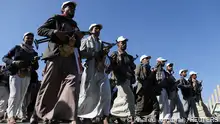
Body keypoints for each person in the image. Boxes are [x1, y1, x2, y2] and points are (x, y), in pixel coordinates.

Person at [34, 1, 86, 124]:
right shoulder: (56, 18)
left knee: (72, 82)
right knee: (50, 85)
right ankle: (41, 114)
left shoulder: (75, 25)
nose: (73, 9)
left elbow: (77, 44)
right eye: (70, 7)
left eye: (74, 8)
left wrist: (78, 38)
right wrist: (54, 32)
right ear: (63, 9)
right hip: (56, 55)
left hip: (71, 57)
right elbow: (40, 30)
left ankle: (68, 115)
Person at [78, 23, 111, 124]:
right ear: (91, 30)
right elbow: (81, 54)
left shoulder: (101, 43)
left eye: (99, 29)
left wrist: (104, 54)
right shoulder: (85, 40)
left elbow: (104, 56)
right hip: (90, 68)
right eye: (95, 28)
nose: (98, 30)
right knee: (87, 93)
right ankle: (81, 115)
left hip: (100, 70)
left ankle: (104, 115)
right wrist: (93, 54)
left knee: (106, 92)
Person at [2, 32, 39, 124]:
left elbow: (36, 67)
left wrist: (35, 62)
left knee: (21, 96)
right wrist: (14, 62)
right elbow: (5, 58)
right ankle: (10, 117)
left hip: (27, 75)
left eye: (31, 38)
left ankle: (14, 115)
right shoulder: (17, 48)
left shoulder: (34, 52)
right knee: (15, 95)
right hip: (16, 73)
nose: (29, 39)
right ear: (24, 39)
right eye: (28, 38)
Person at [109, 36, 136, 123]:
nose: (124, 44)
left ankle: (114, 117)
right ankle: (130, 118)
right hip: (119, 80)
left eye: (125, 43)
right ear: (118, 44)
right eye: (122, 42)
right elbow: (112, 67)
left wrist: (132, 76)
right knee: (128, 97)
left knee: (123, 99)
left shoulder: (128, 56)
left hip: (127, 80)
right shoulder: (115, 54)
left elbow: (132, 68)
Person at [135, 55, 160, 124]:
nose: (148, 60)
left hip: (150, 90)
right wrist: (142, 83)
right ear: (142, 60)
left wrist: (153, 72)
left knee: (156, 106)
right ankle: (135, 120)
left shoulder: (150, 69)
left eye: (148, 59)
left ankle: (153, 120)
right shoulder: (139, 66)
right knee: (140, 106)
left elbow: (152, 80)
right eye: (146, 58)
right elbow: (136, 76)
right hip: (143, 89)